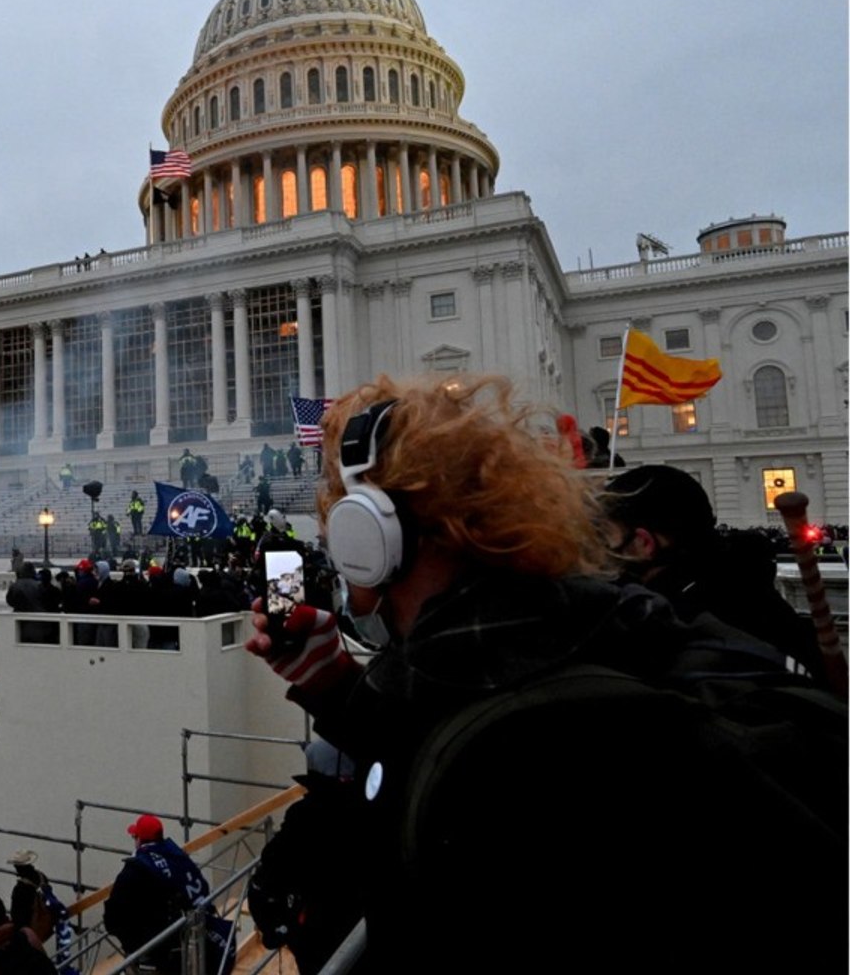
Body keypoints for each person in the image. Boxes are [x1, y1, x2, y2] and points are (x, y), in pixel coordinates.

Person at [244, 374, 847, 972]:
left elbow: (496, 772)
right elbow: (464, 715)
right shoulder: (583, 626)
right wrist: (340, 688)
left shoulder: (519, 756)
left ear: (368, 534)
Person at [603, 463, 827, 680]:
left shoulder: (675, 625)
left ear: (643, 543)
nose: (601, 551)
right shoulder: (746, 586)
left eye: (608, 538)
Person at [103, 815, 205, 974]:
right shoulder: (178, 858)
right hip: (185, 945)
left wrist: (129, 942)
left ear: (139, 840)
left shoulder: (134, 870)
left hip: (150, 953)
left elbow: (112, 918)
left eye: (134, 836)